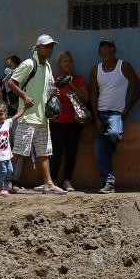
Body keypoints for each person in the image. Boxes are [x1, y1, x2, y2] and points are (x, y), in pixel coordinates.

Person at [6, 34, 63, 194]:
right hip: (28, 116)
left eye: (52, 46)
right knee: (19, 150)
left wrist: (54, 91)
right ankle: (0, 179)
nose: (50, 49)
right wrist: (24, 96)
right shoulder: (29, 64)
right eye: (47, 46)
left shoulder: (48, 66)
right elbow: (11, 82)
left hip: (43, 117)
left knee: (44, 151)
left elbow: (48, 86)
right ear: (37, 48)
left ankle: (49, 184)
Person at [88, 39, 140, 194]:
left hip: (116, 113)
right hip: (100, 113)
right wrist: (96, 119)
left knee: (113, 134)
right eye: (103, 48)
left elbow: (139, 87)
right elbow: (93, 95)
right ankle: (109, 183)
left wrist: (128, 109)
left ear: (114, 50)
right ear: (99, 52)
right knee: (99, 153)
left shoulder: (124, 66)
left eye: (109, 48)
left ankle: (110, 147)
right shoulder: (95, 69)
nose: (106, 51)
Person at [49, 50, 90, 191]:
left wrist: (71, 84)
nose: (68, 63)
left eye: (69, 61)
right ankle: (52, 181)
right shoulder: (53, 80)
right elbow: (46, 100)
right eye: (65, 61)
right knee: (56, 151)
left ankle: (67, 180)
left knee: (71, 151)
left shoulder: (78, 80)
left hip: (74, 122)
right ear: (59, 64)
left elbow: (85, 99)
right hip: (56, 122)